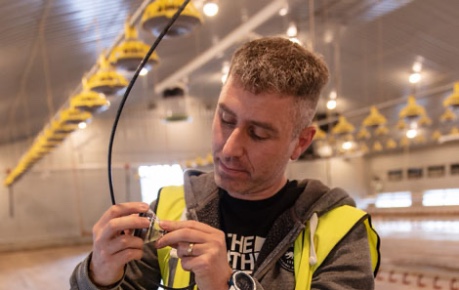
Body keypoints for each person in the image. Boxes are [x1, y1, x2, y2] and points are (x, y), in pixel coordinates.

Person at [70, 36, 380, 290]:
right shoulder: (169, 207)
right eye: (225, 119)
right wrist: (99, 275)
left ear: (300, 142)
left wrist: (225, 285)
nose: (229, 148)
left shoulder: (341, 233)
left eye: (258, 134)